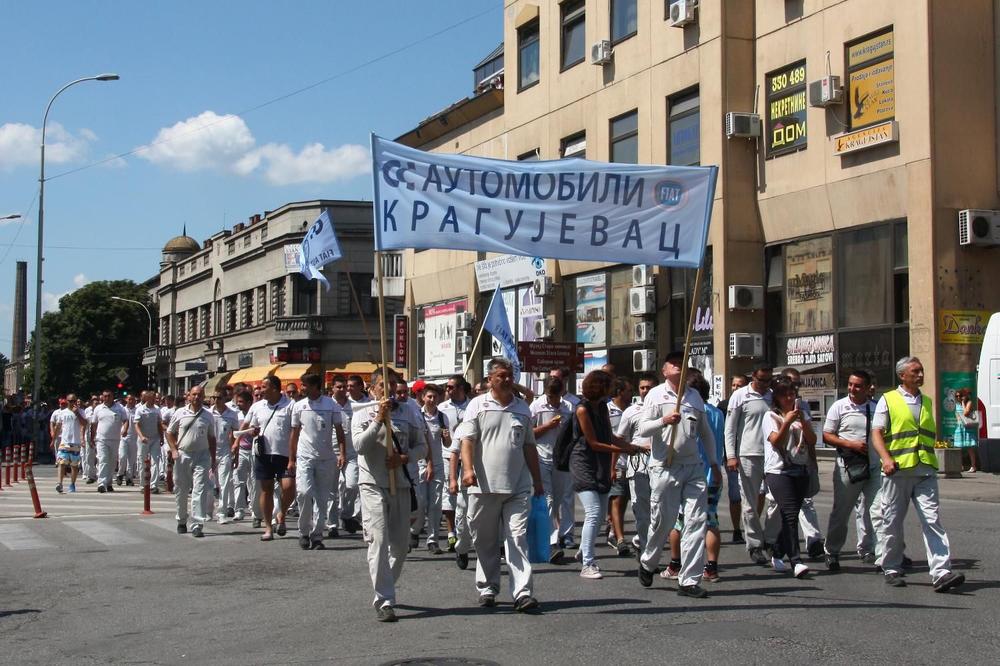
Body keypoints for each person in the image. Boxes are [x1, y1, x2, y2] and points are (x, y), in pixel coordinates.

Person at [457, 357, 543, 612]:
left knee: (517, 538)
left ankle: (522, 592)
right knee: (486, 540)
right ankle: (487, 587)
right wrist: (468, 470)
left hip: (517, 486)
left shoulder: (523, 409)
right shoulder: (477, 405)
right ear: (490, 379)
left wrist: (538, 481)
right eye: (501, 376)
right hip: (484, 485)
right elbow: (468, 441)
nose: (506, 380)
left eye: (509, 375)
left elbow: (529, 446)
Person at [871, 357, 965, 592]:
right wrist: (886, 459)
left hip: (924, 471)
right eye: (916, 371)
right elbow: (877, 433)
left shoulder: (927, 400)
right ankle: (891, 566)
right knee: (892, 522)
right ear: (902, 375)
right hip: (898, 472)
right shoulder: (888, 400)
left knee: (932, 521)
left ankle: (941, 572)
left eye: (922, 371)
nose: (921, 375)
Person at [637, 352, 719, 599]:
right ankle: (648, 561)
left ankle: (689, 580)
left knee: (696, 522)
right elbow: (643, 428)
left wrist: (714, 463)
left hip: (693, 466)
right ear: (665, 370)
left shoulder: (694, 396)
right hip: (665, 465)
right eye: (674, 364)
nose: (679, 367)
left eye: (683, 364)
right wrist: (664, 420)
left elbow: (705, 432)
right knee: (663, 521)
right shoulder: (656, 394)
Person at [352, 372, 427, 622]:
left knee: (401, 545)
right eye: (384, 385)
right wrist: (378, 419)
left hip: (401, 483)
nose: (390, 390)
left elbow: (421, 446)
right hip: (372, 483)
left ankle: (386, 584)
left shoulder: (409, 411)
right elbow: (360, 447)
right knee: (379, 540)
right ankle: (384, 599)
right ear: (372, 389)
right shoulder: (362, 412)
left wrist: (404, 458)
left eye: (393, 385)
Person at [571, 370, 641, 580]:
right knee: (593, 512)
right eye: (608, 385)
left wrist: (630, 446)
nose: (612, 389)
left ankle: (585, 549)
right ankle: (588, 563)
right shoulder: (582, 409)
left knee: (601, 515)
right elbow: (593, 442)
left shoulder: (601, 407)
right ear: (599, 387)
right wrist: (623, 450)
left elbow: (608, 436)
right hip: (583, 462)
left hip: (600, 461)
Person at [665, 373, 726, 583]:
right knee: (710, 519)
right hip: (714, 471)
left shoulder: (690, 412)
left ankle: (675, 563)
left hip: (691, 473)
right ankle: (711, 566)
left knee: (679, 520)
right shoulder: (718, 413)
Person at [821, 370, 882, 571]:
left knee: (878, 511)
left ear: (867, 388)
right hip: (849, 468)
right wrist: (850, 444)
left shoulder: (876, 407)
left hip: (874, 467)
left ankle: (879, 553)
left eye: (857, 386)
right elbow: (827, 436)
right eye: (850, 384)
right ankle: (832, 551)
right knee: (842, 512)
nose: (852, 389)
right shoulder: (839, 407)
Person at [762, 377, 816, 578]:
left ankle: (777, 551)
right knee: (791, 514)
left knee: (788, 516)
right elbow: (776, 441)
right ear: (776, 397)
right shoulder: (770, 416)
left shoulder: (803, 414)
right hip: (778, 471)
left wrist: (803, 420)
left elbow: (811, 440)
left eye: (792, 393)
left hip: (800, 468)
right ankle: (796, 560)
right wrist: (787, 422)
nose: (788, 397)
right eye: (784, 394)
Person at [290, 373, 346, 550]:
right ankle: (304, 531)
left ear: (315, 386)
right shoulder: (299, 406)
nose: (302, 388)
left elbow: (339, 431)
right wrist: (291, 459)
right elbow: (294, 434)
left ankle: (316, 535)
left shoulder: (331, 405)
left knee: (322, 498)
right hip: (305, 457)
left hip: (326, 458)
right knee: (304, 493)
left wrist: (342, 453)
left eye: (304, 385)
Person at [724, 362, 774, 564]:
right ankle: (754, 544)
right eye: (761, 380)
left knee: (777, 500)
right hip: (748, 454)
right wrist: (731, 455)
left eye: (768, 380)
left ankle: (770, 538)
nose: (764, 384)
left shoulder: (772, 395)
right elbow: (730, 429)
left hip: (773, 454)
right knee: (749, 503)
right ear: (753, 376)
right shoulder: (740, 396)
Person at [244, 375, 295, 541]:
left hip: (284, 454)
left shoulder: (290, 405)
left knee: (289, 487)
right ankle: (267, 527)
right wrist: (252, 432)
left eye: (264, 387)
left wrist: (293, 457)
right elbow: (252, 427)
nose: (261, 390)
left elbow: (295, 430)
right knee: (266, 489)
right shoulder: (258, 406)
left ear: (274, 388)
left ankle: (282, 513)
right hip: (263, 453)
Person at [530, 375, 575, 563]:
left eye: (557, 397)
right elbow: (529, 434)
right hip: (542, 458)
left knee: (562, 498)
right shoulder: (535, 406)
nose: (554, 401)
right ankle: (551, 542)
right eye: (551, 397)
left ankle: (566, 534)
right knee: (547, 499)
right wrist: (547, 426)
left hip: (562, 460)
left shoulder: (568, 407)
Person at [165, 386, 217, 537]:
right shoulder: (180, 413)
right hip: (183, 455)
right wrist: (174, 450)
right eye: (194, 394)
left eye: (200, 395)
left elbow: (212, 438)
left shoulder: (208, 415)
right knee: (181, 489)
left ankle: (197, 524)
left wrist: (213, 458)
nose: (196, 397)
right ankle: (181, 519)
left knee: (200, 489)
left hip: (202, 455)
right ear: (188, 396)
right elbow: (169, 433)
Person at [615, 372, 657, 554]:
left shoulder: (665, 409)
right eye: (642, 387)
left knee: (659, 510)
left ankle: (641, 540)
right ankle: (646, 552)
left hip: (661, 464)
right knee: (641, 509)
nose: (646, 391)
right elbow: (618, 440)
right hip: (637, 465)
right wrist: (613, 467)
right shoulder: (631, 412)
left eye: (649, 387)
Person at [414, 383, 449, 554]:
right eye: (429, 396)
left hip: (438, 464)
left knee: (435, 505)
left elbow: (447, 443)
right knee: (421, 502)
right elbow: (422, 441)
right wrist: (427, 464)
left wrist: (447, 437)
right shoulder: (417, 416)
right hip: (419, 464)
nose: (432, 400)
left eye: (435, 397)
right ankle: (414, 530)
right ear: (423, 398)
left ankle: (432, 539)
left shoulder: (442, 417)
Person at [439, 375, 472, 551]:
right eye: (447, 387)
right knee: (450, 494)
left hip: (468, 457)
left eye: (451, 387)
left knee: (466, 497)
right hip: (448, 455)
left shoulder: (472, 406)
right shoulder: (441, 408)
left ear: (460, 388)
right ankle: (451, 533)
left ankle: (466, 531)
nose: (448, 390)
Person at [606, 377, 633, 556]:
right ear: (620, 391)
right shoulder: (607, 410)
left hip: (631, 461)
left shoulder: (632, 410)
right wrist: (611, 466)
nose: (632, 393)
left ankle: (613, 530)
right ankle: (620, 538)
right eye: (629, 390)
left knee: (623, 500)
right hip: (611, 460)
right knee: (616, 498)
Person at [721, 375, 748, 543]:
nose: (736, 388)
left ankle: (751, 528)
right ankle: (736, 529)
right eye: (733, 385)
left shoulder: (749, 403)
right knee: (735, 495)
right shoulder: (724, 406)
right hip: (730, 456)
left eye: (740, 385)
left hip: (750, 453)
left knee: (755, 495)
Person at [91, 390, 128, 493]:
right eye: (105, 396)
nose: (106, 398)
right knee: (103, 460)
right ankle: (101, 483)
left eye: (109, 396)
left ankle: (109, 482)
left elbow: (125, 420)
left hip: (115, 439)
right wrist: (92, 438)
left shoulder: (119, 408)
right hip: (101, 439)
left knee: (112, 462)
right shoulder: (98, 408)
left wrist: (124, 429)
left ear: (112, 397)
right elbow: (94, 424)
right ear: (102, 397)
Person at [210, 389, 239, 522]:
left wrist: (235, 449)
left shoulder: (232, 414)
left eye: (219, 397)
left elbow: (236, 433)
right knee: (208, 482)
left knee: (225, 482)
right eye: (214, 397)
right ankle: (207, 511)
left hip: (224, 451)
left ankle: (222, 512)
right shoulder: (208, 413)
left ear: (224, 398)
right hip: (209, 451)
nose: (216, 400)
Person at [134, 391, 165, 494]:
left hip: (155, 439)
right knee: (142, 461)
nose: (154, 400)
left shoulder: (157, 409)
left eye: (155, 398)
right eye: (152, 398)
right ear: (147, 399)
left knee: (155, 461)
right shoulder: (140, 409)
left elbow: (159, 424)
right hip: (143, 439)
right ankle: (143, 485)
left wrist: (161, 437)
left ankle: (153, 485)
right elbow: (136, 425)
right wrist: (141, 436)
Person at [231, 389, 255, 522]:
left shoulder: (254, 415)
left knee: (253, 482)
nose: (238, 404)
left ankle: (253, 508)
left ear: (249, 402)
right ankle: (239, 509)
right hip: (241, 451)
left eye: (241, 402)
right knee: (238, 481)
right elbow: (233, 433)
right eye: (237, 401)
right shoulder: (236, 416)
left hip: (254, 451)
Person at [952, 388, 980, 472]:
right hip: (959, 427)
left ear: (964, 396)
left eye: (959, 396)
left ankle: (973, 466)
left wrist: (963, 403)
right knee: (958, 447)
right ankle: (960, 466)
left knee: (970, 448)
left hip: (967, 427)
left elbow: (965, 413)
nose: (958, 397)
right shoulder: (957, 404)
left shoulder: (969, 403)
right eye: (956, 396)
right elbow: (957, 415)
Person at [117, 394, 139, 486]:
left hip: (134, 438)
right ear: (126, 400)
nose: (131, 401)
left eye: (133, 399)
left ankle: (129, 478)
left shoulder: (137, 410)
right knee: (122, 457)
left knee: (132, 459)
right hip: (123, 437)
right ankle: (120, 474)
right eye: (129, 399)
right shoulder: (122, 410)